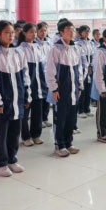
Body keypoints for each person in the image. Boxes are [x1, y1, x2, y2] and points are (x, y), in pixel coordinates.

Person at [0, 20, 31, 177]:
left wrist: (26, 96)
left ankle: (12, 159)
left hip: (18, 99)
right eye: (7, 32)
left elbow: (25, 76)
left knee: (15, 131)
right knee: (1, 132)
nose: (11, 36)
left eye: (12, 32)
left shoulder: (18, 52)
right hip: (3, 100)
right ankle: (1, 162)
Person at [45, 19, 83, 158]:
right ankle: (59, 145)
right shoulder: (55, 49)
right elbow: (50, 71)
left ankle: (68, 143)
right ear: (61, 32)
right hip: (61, 90)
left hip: (73, 89)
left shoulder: (76, 48)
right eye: (68, 30)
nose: (72, 33)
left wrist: (80, 85)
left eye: (73, 30)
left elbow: (79, 69)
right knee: (60, 118)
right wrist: (54, 89)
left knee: (71, 118)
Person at [17, 23, 44, 147]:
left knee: (38, 111)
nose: (34, 34)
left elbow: (42, 66)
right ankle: (25, 136)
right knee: (25, 111)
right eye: (31, 32)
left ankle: (36, 134)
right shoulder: (20, 49)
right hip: (27, 84)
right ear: (24, 33)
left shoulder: (38, 47)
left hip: (39, 84)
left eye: (35, 32)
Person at [35, 22, 53, 129]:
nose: (43, 32)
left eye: (45, 30)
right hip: (39, 73)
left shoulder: (49, 43)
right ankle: (39, 119)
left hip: (48, 73)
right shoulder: (34, 44)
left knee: (47, 97)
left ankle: (45, 118)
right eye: (41, 30)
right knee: (39, 98)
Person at [75, 26, 94, 120]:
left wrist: (91, 66)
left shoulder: (91, 43)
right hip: (82, 69)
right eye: (85, 31)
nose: (87, 33)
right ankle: (80, 110)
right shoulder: (77, 43)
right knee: (82, 90)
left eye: (88, 31)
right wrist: (85, 68)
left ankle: (87, 109)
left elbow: (94, 55)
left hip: (91, 68)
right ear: (80, 32)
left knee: (88, 89)